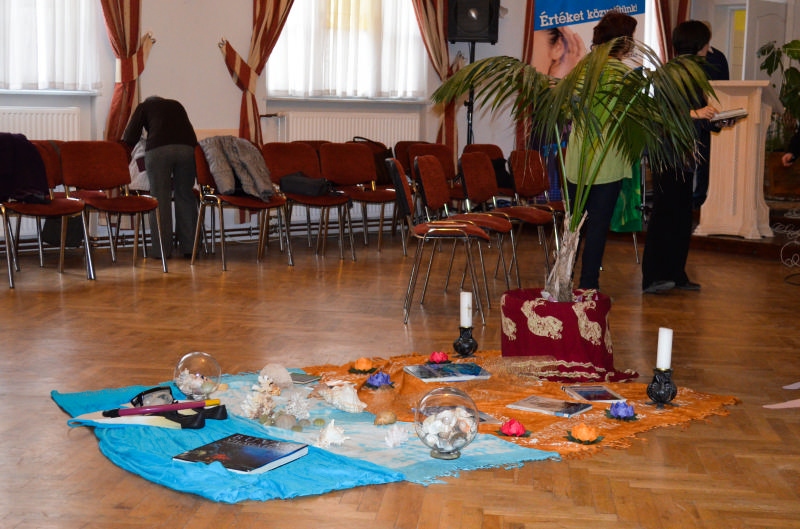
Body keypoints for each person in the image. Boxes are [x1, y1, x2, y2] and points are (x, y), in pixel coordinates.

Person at [641, 20, 725, 294]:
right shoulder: (670, 73)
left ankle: (676, 274)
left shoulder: (693, 73)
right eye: (707, 44)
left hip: (685, 157)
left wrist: (717, 121)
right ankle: (653, 277)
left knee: (681, 218)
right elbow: (661, 114)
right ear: (699, 45)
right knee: (664, 215)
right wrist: (696, 114)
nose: (709, 49)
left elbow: (697, 113)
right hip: (668, 155)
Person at [563, 11, 637, 291]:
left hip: (578, 160)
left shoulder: (582, 68)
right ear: (623, 41)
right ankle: (588, 286)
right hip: (607, 160)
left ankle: (563, 281)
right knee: (597, 229)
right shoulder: (622, 73)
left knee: (573, 228)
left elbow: (567, 110)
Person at [122, 96, 198, 259]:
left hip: (159, 150)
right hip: (188, 148)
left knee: (160, 199)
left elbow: (129, 137)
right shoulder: (177, 104)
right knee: (185, 195)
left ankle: (162, 251)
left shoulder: (144, 106)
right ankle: (190, 248)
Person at [692, 22, 730, 207]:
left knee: (705, 158)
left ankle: (702, 195)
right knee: (693, 157)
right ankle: (693, 196)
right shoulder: (688, 59)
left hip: (711, 113)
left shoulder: (718, 57)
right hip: (692, 112)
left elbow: (726, 84)